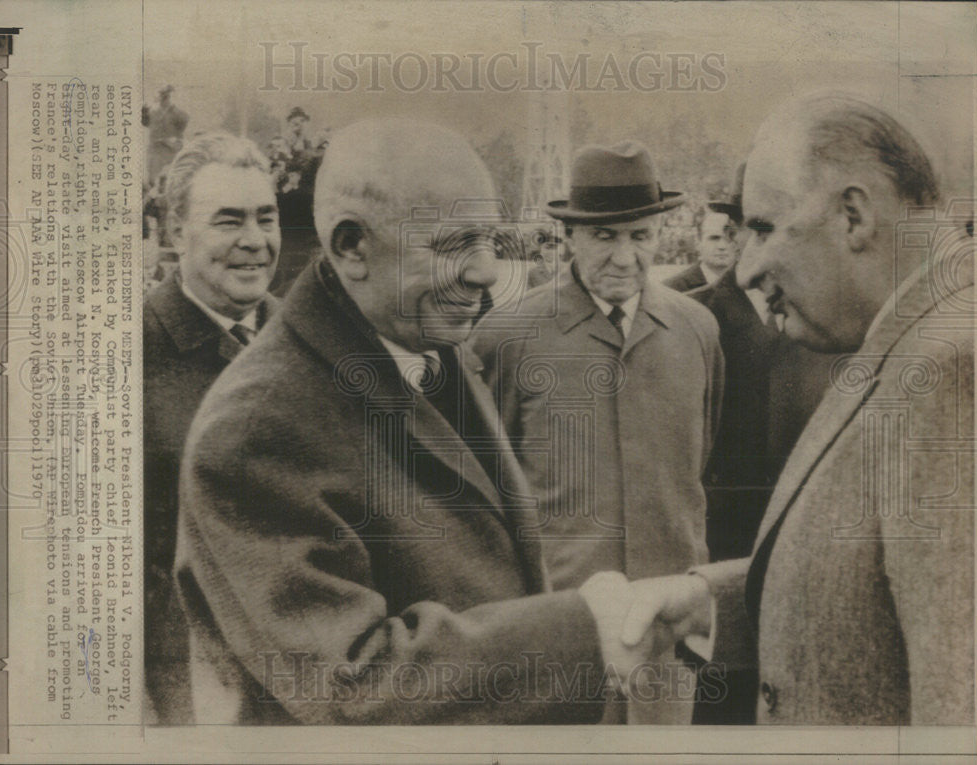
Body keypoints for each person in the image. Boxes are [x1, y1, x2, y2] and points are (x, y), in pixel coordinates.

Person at [173, 118, 660, 725]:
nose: (486, 272)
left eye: (491, 241)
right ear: (353, 247)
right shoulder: (254, 431)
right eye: (455, 245)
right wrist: (583, 627)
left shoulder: (430, 341)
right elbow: (357, 687)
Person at [621, 94, 974, 725]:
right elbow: (869, 590)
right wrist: (708, 602)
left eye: (762, 228)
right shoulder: (913, 336)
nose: (747, 269)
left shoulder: (952, 369)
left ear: (853, 216)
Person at [474, 141, 723, 724]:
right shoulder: (507, 336)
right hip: (559, 636)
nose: (625, 257)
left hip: (667, 639)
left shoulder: (697, 329)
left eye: (640, 236)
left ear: (661, 234)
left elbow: (698, 460)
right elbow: (485, 487)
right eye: (605, 236)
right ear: (569, 237)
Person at [685, 176, 840, 723]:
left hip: (807, 565)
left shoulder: (834, 326)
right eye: (751, 226)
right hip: (718, 563)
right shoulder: (692, 317)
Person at [143, 132, 280, 723]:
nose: (254, 242)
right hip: (187, 694)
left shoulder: (304, 340)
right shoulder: (123, 355)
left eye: (266, 218)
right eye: (229, 221)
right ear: (177, 235)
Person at [269, 106, 324, 296]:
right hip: (285, 203)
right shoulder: (281, 145)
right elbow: (276, 169)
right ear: (289, 124)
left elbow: (313, 168)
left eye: (301, 121)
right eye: (294, 122)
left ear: (306, 124)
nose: (297, 125)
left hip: (305, 204)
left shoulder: (311, 147)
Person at [144, 84, 189, 186]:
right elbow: (145, 122)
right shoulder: (152, 111)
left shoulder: (177, 112)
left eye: (166, 95)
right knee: (153, 181)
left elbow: (183, 123)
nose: (163, 98)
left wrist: (173, 139)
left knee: (171, 179)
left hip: (171, 150)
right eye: (162, 95)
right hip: (156, 150)